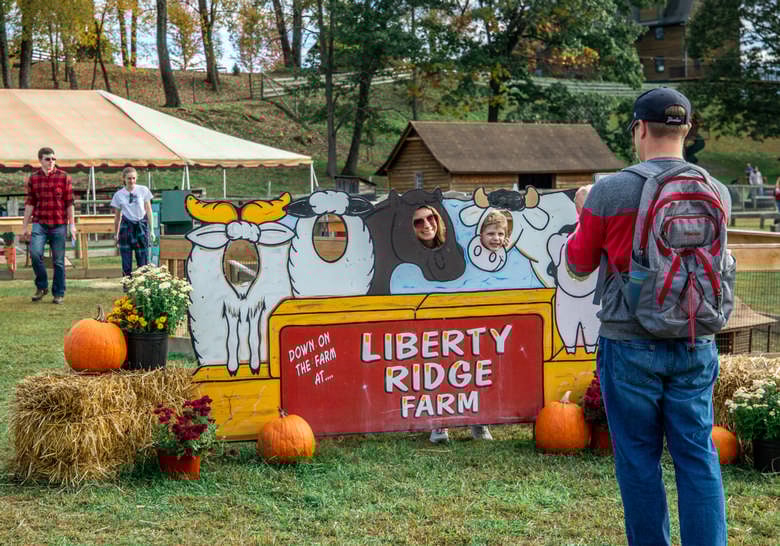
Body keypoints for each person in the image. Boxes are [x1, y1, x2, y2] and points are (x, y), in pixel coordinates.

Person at [566, 88, 728, 545]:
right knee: (697, 455)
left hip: (629, 341)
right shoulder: (717, 192)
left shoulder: (610, 190)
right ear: (687, 130)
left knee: (638, 459)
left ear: (638, 128)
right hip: (696, 339)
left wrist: (584, 213)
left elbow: (577, 266)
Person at [415, 205, 494, 443]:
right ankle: (440, 423)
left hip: (461, 306)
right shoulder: (408, 254)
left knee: (470, 364)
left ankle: (478, 420)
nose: (427, 224)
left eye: (431, 218)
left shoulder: (457, 247)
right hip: (426, 311)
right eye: (418, 221)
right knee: (435, 366)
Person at [21, 147, 77, 305]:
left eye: (53, 158)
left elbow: (70, 203)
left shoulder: (64, 177)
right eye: (47, 159)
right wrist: (24, 226)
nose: (51, 161)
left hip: (59, 224)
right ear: (40, 160)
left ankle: (58, 293)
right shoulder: (34, 179)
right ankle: (42, 286)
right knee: (35, 254)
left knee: (59, 261)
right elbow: (30, 204)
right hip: (40, 223)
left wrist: (72, 225)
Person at [111, 167, 155, 276]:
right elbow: (117, 217)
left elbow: (149, 210)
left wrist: (152, 230)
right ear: (124, 179)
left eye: (134, 178)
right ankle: (127, 288)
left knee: (143, 260)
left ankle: (143, 287)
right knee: (126, 260)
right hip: (126, 226)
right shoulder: (119, 195)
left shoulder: (143, 190)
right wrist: (116, 234)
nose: (131, 181)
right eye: (129, 178)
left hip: (141, 225)